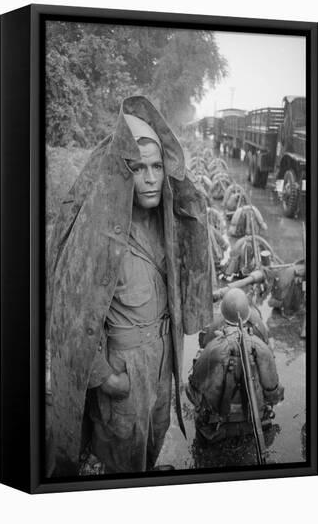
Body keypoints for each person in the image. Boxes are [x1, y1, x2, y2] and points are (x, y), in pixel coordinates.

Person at [46, 96, 212, 476]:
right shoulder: (98, 236)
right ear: (123, 173)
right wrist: (107, 379)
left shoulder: (168, 224)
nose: (151, 178)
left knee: (154, 435)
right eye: (139, 168)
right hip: (124, 362)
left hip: (162, 357)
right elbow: (72, 317)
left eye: (157, 166)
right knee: (122, 454)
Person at [187, 288, 284, 444]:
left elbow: (193, 393)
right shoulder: (260, 344)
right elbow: (274, 392)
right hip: (254, 414)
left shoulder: (212, 346)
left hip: (217, 417)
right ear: (247, 312)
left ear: (223, 312)